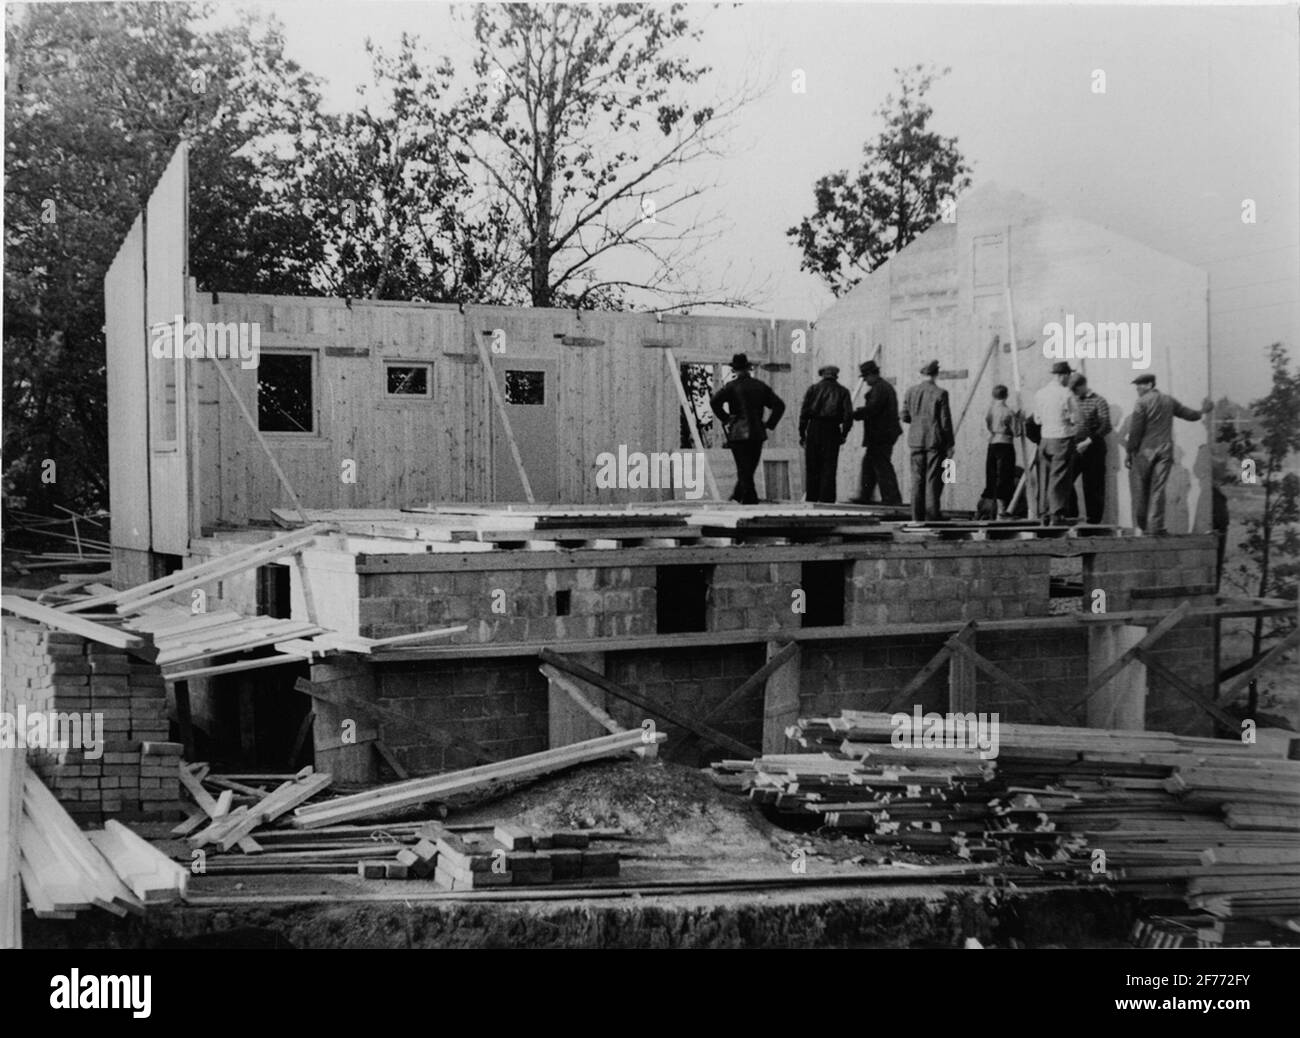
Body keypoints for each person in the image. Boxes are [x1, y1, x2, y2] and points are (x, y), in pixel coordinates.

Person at [1125, 373, 1211, 535]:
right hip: (1164, 450)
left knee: (1143, 489)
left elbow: (1135, 430)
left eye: (1139, 385)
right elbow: (1189, 415)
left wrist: (1130, 451)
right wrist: (1203, 411)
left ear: (1149, 385)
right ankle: (1155, 527)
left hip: (1145, 452)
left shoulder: (1141, 402)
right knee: (1158, 489)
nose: (1137, 389)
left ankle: (1142, 527)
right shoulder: (1168, 400)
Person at [710, 352, 785, 505]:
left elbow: (714, 402)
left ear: (734, 370)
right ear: (748, 368)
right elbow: (779, 405)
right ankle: (738, 496)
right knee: (748, 469)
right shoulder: (760, 386)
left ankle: (749, 499)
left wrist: (726, 418)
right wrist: (769, 424)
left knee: (744, 469)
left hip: (738, 433)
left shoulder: (731, 387)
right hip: (757, 433)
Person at [900, 359, 954, 521]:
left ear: (922, 374)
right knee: (933, 479)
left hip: (915, 440)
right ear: (936, 374)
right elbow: (945, 421)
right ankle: (932, 516)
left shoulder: (911, 391)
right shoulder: (940, 393)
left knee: (917, 480)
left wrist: (917, 421)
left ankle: (916, 517)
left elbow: (904, 416)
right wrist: (950, 443)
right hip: (934, 441)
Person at [1030, 361, 1079, 524]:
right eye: (1069, 375)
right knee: (1059, 478)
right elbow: (1076, 418)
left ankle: (1044, 513)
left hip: (1045, 438)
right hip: (1061, 438)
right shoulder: (1066, 393)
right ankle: (1056, 514)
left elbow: (1037, 420)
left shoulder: (1040, 393)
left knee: (1044, 477)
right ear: (1064, 375)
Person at [849, 360, 903, 505]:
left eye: (865, 377)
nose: (865, 380)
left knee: (881, 465)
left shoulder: (880, 389)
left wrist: (854, 414)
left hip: (881, 434)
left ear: (872, 374)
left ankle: (891, 498)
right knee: (870, 464)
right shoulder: (882, 387)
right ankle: (866, 496)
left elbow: (873, 409)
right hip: (882, 434)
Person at [798, 365, 854, 503]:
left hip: (814, 428)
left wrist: (802, 434)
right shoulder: (843, 391)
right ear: (836, 375)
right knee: (829, 467)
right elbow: (848, 416)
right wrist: (844, 434)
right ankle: (827, 501)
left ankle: (812, 500)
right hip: (832, 429)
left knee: (812, 467)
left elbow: (804, 413)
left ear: (822, 374)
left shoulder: (813, 389)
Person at [1068, 373, 1113, 524]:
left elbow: (1106, 426)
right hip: (1074, 446)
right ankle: (1071, 517)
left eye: (1076, 389)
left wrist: (1088, 442)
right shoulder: (1071, 400)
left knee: (1093, 486)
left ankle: (1093, 523)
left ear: (1083, 385)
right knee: (1065, 481)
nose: (1074, 393)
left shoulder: (1099, 401)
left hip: (1093, 447)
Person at [983, 384, 1019, 517]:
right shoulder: (1009, 412)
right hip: (1005, 444)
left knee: (992, 475)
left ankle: (989, 509)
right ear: (1006, 395)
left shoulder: (990, 410)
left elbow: (986, 426)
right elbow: (1017, 432)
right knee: (1005, 476)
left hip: (992, 443)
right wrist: (1019, 419)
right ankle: (1001, 509)